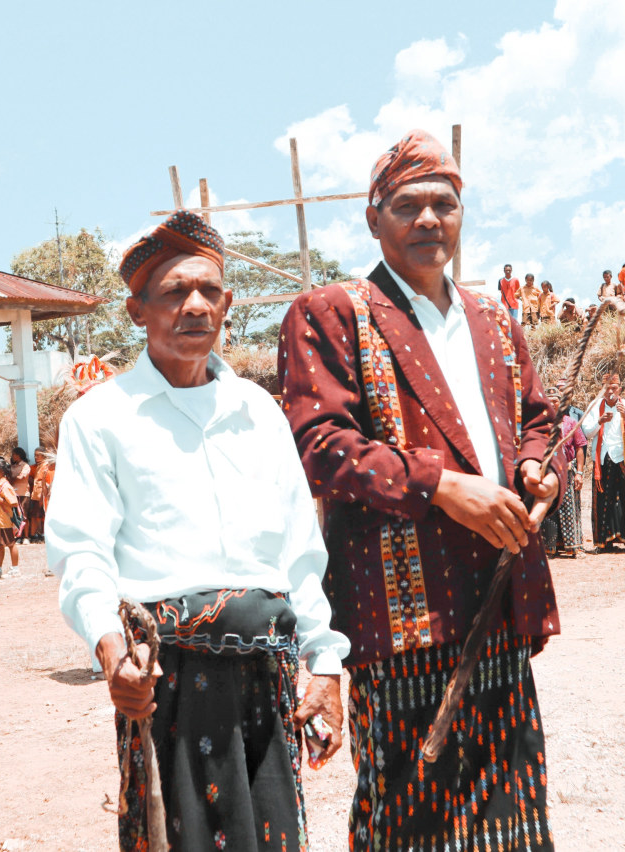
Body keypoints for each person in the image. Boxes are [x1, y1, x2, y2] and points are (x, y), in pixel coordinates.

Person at [279, 129, 565, 852]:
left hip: (499, 600)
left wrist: (537, 467)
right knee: (410, 820)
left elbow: (538, 418)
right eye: (408, 206)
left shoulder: (494, 320)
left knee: (512, 817)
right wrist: (441, 486)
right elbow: (320, 445)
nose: (429, 219)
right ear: (373, 219)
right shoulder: (332, 312)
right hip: (401, 614)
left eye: (444, 204)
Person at [45, 209, 349, 852]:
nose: (195, 306)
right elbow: (81, 552)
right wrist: (111, 651)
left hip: (266, 677)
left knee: (274, 837)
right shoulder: (99, 419)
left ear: (227, 304)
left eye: (209, 290)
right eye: (174, 292)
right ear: (137, 311)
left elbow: (300, 550)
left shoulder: (260, 413)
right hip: (165, 682)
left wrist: (325, 664)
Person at [541, 387, 587, 557]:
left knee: (570, 508)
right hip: (548, 471)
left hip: (567, 470)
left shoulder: (571, 422)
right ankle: (549, 548)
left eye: (556, 400)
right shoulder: (540, 424)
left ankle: (574, 547)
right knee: (549, 508)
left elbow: (580, 447)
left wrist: (579, 473)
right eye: (549, 400)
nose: (553, 403)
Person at [582, 373, 625, 551]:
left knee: (622, 498)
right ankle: (603, 542)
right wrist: (599, 421)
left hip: (621, 457)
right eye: (606, 388)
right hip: (602, 459)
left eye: (613, 388)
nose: (610, 392)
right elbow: (586, 433)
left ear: (619, 389)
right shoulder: (594, 406)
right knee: (602, 500)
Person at [0, 458, 21, 579]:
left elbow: (14, 502)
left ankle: (15, 569)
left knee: (11, 544)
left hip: (5, 521)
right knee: (0, 545)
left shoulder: (5, 485)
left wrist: (0, 499)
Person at [10, 447, 31, 543]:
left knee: (24, 516)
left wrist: (12, 478)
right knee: (16, 516)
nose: (12, 456)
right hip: (14, 494)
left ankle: (26, 537)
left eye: (14, 454)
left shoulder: (25, 466)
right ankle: (19, 536)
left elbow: (21, 477)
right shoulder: (12, 466)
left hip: (23, 494)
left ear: (19, 455)